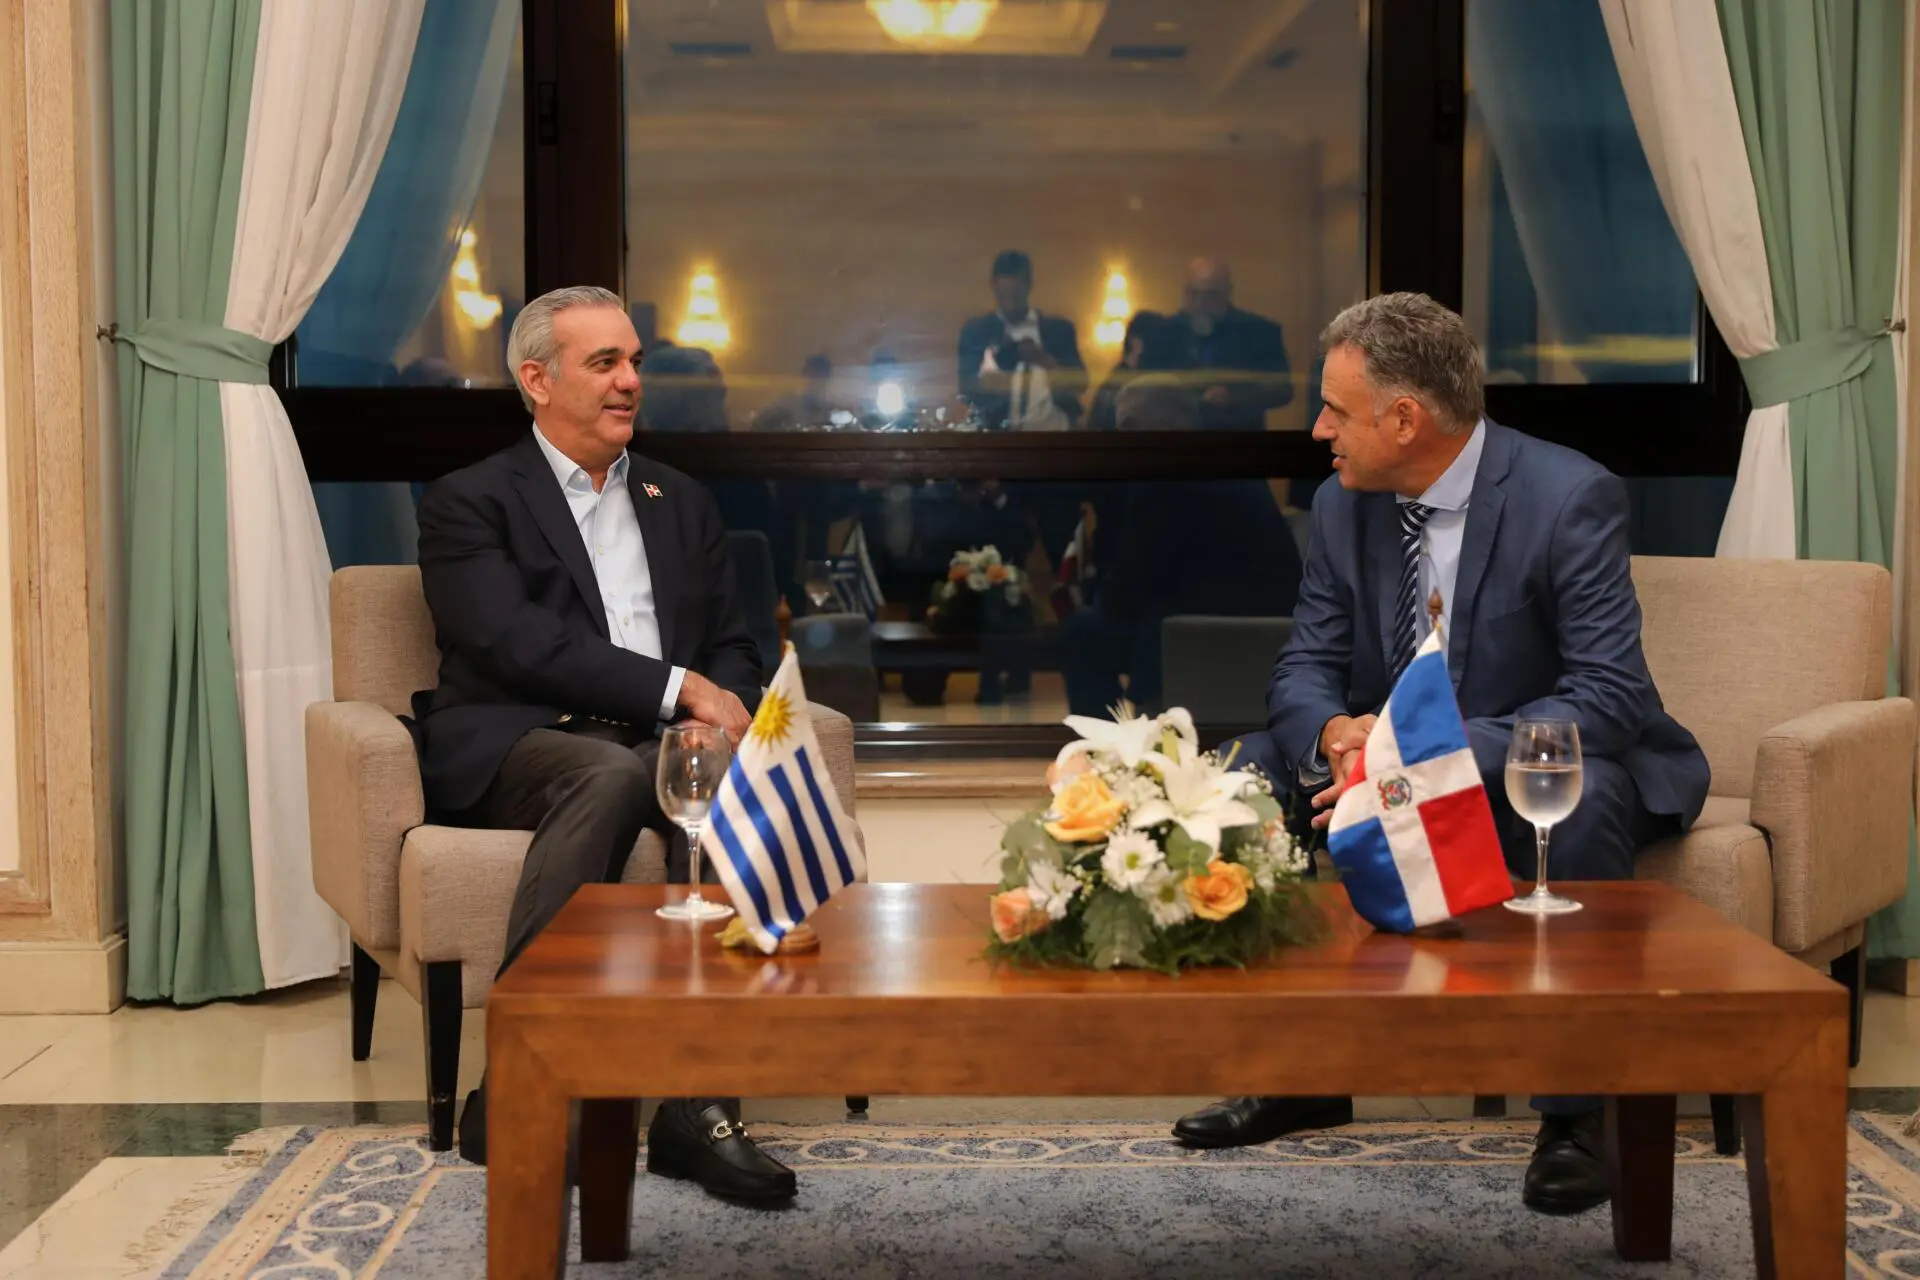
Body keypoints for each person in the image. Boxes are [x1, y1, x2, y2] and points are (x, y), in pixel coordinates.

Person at [1172, 292, 1709, 1218]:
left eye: (1335, 411)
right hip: (1381, 761)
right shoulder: (1344, 505)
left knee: (1580, 796)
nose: (1319, 431)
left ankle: (1577, 1115)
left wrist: (1424, 755)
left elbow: (1608, 693)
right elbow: (1304, 664)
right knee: (1249, 774)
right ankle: (1301, 1072)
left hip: (1519, 757)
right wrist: (1336, 734)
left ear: (1405, 420)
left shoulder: (1567, 496)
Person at [410, 285, 798, 1202]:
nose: (630, 381)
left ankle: (699, 1107)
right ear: (537, 380)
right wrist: (678, 691)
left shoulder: (680, 499)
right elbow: (516, 644)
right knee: (609, 773)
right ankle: (524, 1075)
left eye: (634, 362)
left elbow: (732, 646)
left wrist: (716, 710)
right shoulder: (470, 501)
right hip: (524, 736)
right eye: (605, 363)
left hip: (660, 743)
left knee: (716, 780)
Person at [957, 250, 1087, 431]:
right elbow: (967, 391)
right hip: (997, 438)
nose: (1010, 305)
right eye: (1004, 297)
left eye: (1016, 296)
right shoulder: (977, 333)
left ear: (1029, 286)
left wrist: (1044, 360)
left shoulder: (1058, 331)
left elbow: (1081, 384)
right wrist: (990, 373)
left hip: (1054, 435)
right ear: (994, 286)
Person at [1171, 258, 1292, 430]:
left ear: (1228, 292)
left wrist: (1233, 397)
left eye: (1210, 295)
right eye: (1193, 294)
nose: (1199, 303)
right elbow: (1146, 388)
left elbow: (1282, 389)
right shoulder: (1165, 333)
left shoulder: (1259, 332)